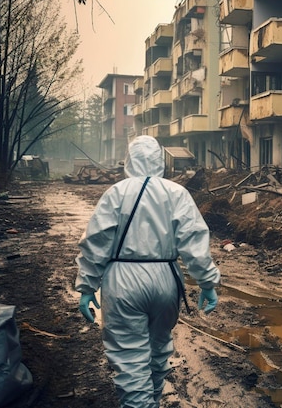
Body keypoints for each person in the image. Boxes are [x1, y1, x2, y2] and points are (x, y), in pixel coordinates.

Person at [75, 135, 221, 408]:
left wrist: (86, 285)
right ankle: (150, 400)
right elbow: (194, 243)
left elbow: (96, 241)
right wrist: (207, 283)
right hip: (166, 276)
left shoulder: (116, 193)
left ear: (129, 160)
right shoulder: (177, 193)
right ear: (159, 161)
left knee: (131, 360)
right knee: (157, 351)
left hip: (123, 279)